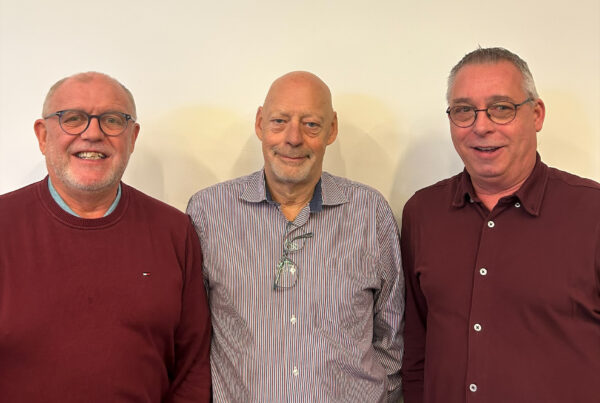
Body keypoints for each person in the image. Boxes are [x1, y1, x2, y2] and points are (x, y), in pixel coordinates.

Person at [187, 71, 404, 402]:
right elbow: (190, 336)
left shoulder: (370, 213)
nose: (293, 138)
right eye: (279, 121)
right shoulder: (208, 212)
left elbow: (392, 337)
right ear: (260, 123)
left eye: (311, 124)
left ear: (332, 129)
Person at [400, 47, 600, 403]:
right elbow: (415, 349)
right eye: (464, 110)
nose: (481, 126)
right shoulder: (422, 214)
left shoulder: (592, 212)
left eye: (502, 108)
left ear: (536, 114)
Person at [0, 72, 211, 402]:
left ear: (132, 137)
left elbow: (193, 368)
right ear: (42, 135)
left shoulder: (174, 231)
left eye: (112, 120)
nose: (93, 133)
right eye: (73, 118)